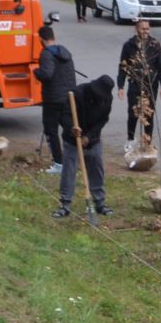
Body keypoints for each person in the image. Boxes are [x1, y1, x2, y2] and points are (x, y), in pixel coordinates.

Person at [55, 74, 114, 218]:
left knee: (96, 167)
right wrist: (72, 128)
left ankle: (99, 202)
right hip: (72, 139)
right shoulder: (77, 94)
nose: (100, 97)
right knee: (69, 170)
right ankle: (65, 204)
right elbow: (64, 115)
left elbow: (103, 120)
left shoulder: (107, 99)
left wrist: (89, 137)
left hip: (92, 139)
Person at [116, 18, 161, 147]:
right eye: (143, 28)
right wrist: (120, 86)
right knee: (133, 113)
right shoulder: (128, 45)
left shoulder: (155, 45)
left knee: (149, 113)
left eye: (147, 29)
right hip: (134, 84)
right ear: (136, 29)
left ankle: (147, 141)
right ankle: (130, 139)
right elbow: (123, 67)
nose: (146, 31)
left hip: (151, 85)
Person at [35, 22, 76, 176]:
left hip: (52, 99)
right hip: (68, 97)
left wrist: (36, 71)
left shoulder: (46, 54)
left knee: (50, 131)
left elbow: (47, 74)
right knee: (69, 129)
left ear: (41, 39)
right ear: (53, 37)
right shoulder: (65, 52)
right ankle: (74, 159)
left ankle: (59, 163)